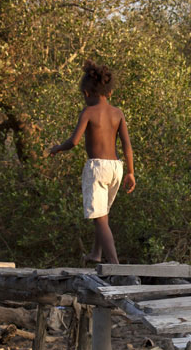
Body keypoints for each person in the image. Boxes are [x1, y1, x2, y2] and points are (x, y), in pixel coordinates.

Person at [48, 60, 136, 264]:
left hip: (97, 168)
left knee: (100, 218)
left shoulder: (88, 112)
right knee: (102, 213)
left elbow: (74, 141)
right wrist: (130, 173)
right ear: (109, 92)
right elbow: (127, 146)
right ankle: (96, 254)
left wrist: (57, 148)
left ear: (87, 93)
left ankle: (115, 264)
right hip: (116, 168)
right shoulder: (118, 113)